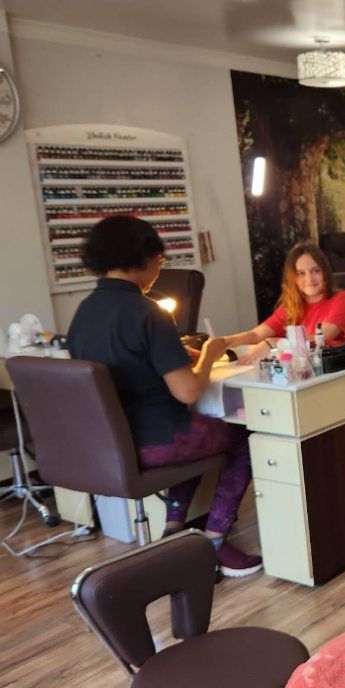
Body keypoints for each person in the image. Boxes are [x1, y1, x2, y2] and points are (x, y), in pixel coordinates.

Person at [66, 215, 262, 578]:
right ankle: (216, 540)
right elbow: (187, 391)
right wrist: (209, 354)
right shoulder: (147, 312)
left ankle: (173, 531)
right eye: (159, 259)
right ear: (141, 258)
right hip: (157, 441)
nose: (160, 267)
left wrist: (173, 357)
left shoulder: (84, 312)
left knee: (196, 436)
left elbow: (122, 365)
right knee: (243, 435)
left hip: (111, 445)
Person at [224, 242, 345, 365]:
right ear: (294, 279)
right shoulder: (291, 306)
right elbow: (256, 334)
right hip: (299, 374)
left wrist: (275, 343)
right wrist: (224, 342)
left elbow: (322, 337)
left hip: (332, 373)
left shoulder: (342, 299)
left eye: (316, 271)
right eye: (301, 274)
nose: (309, 279)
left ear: (325, 272)